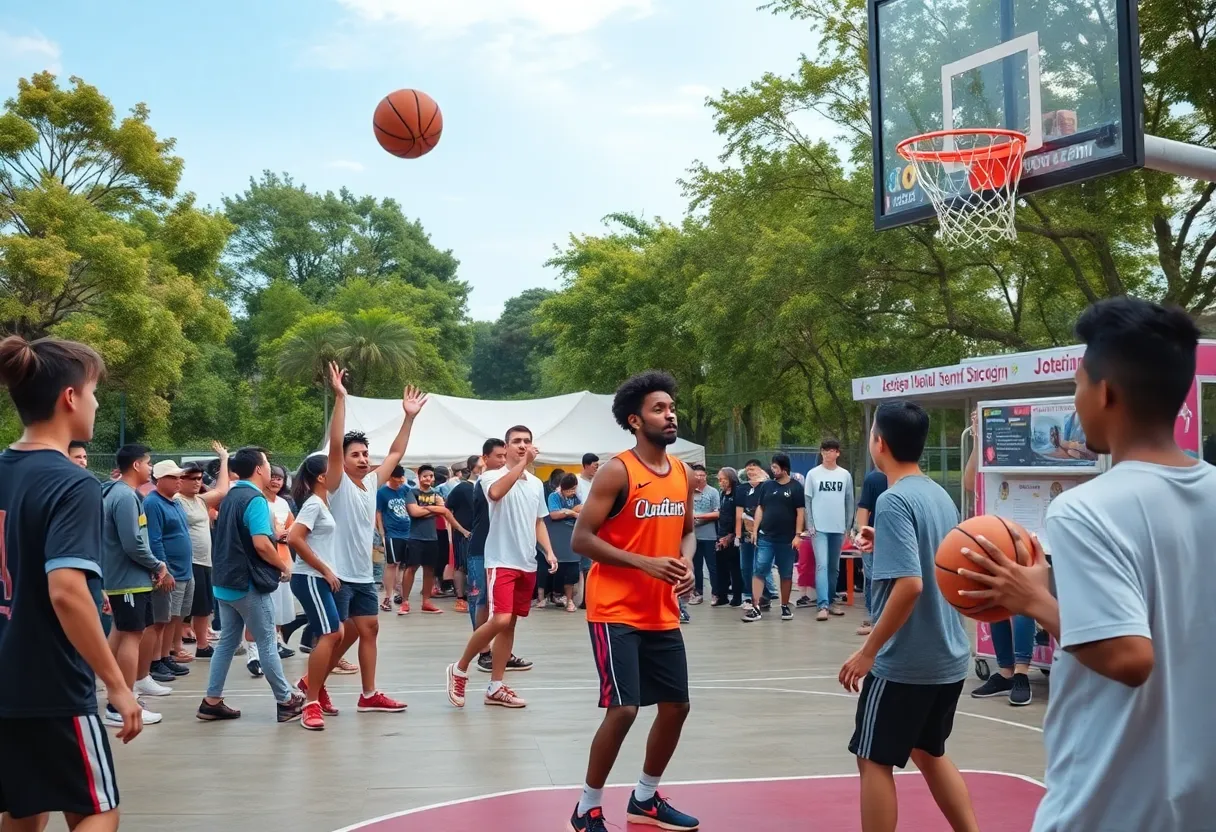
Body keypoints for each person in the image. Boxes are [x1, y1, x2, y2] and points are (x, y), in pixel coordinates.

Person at [956, 297, 1216, 831]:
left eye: (1077, 385)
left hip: (1111, 803)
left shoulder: (1086, 509)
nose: (1075, 400)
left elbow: (1129, 657)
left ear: (1106, 393)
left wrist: (1033, 600)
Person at [0, 335, 142, 830]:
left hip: (6, 678)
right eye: (94, 392)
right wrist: (117, 684)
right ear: (70, 397)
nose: (96, 404)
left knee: (24, 810)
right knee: (99, 811)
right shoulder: (72, 482)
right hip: (52, 682)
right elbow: (66, 591)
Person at [566, 371, 699, 832]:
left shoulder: (682, 473)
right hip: (615, 609)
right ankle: (586, 807)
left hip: (661, 611)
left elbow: (687, 532)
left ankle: (645, 798)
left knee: (676, 706)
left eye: (671, 408)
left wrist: (686, 563)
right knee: (623, 709)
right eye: (659, 409)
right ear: (635, 421)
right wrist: (645, 563)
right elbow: (582, 539)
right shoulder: (617, 471)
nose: (670, 415)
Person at [840, 401, 978, 832]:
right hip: (947, 656)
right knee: (928, 752)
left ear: (879, 443)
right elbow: (936, 558)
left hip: (905, 662)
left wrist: (869, 651)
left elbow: (911, 585)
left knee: (872, 759)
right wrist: (885, 540)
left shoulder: (893, 499)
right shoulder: (938, 495)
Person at [323, 362, 422, 714]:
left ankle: (368, 694)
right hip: (337, 574)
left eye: (365, 454)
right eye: (356, 454)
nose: (363, 459)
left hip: (363, 575)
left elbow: (396, 453)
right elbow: (335, 446)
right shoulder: (336, 483)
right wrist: (340, 398)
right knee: (333, 637)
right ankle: (313, 688)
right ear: (343, 459)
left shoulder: (371, 482)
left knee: (369, 630)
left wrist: (408, 418)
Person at [446, 425, 556, 709]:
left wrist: (549, 550)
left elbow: (538, 521)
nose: (523, 445)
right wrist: (522, 464)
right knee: (501, 619)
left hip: (526, 562)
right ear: (506, 447)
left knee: (510, 624)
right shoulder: (491, 476)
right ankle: (459, 668)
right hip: (500, 560)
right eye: (516, 441)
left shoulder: (535, 484)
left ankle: (496, 686)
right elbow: (496, 494)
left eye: (527, 441)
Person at [196, 446, 304, 724]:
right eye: (266, 464)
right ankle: (286, 701)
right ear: (258, 469)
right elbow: (261, 544)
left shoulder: (230, 496)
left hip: (224, 583)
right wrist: (284, 566)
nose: (270, 469)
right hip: (247, 584)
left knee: (227, 643)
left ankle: (211, 701)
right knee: (267, 641)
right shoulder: (255, 500)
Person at [960, 409, 1035, 705]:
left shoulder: (1029, 452)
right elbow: (969, 483)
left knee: (1021, 603)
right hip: (996, 534)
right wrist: (978, 439)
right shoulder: (991, 452)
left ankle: (1022, 672)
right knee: (995, 601)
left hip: (1029, 537)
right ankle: (1005, 671)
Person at [102, 444, 172, 720]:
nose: (150, 467)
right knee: (132, 636)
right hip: (128, 580)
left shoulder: (119, 493)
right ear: (135, 465)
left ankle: (116, 695)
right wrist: (157, 564)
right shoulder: (124, 496)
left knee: (121, 634)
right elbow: (132, 542)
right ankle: (123, 705)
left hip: (127, 578)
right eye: (148, 462)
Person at [287, 454, 344, 731]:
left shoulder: (324, 502)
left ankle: (314, 686)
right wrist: (325, 570)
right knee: (330, 634)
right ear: (322, 477)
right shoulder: (313, 504)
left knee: (338, 633)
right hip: (310, 577)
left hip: (320, 578)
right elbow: (294, 537)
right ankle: (310, 701)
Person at [175, 447, 230, 660]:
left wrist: (224, 459)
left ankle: (202, 644)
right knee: (183, 610)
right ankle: (176, 647)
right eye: (192, 478)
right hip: (189, 561)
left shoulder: (200, 500)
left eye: (199, 478)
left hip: (204, 561)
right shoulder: (177, 500)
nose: (197, 482)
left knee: (204, 607)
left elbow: (222, 490)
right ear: (180, 480)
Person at [143, 460, 195, 680]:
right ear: (159, 479)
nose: (179, 481)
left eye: (179, 477)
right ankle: (155, 662)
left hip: (185, 570)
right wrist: (164, 570)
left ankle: (166, 657)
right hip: (170, 571)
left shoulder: (174, 502)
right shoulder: (153, 503)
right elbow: (154, 539)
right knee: (161, 620)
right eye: (173, 477)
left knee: (174, 618)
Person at [743, 453, 805, 622]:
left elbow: (800, 512)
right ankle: (756, 607)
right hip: (766, 537)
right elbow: (760, 508)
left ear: (784, 469)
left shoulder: (796, 487)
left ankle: (784, 605)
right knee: (760, 569)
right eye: (772, 466)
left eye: (776, 467)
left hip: (787, 539)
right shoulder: (767, 486)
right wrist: (755, 530)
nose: (772, 470)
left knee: (786, 573)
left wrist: (797, 535)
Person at [465, 440, 508, 658]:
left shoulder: (510, 479)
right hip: (480, 548)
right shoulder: (485, 480)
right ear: (485, 458)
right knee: (480, 598)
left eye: (505, 456)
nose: (502, 460)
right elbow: (496, 492)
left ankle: (502, 651)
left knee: (500, 604)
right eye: (498, 456)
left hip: (501, 550)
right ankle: (483, 650)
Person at [806, 438, 856, 621]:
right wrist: (810, 524)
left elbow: (849, 501)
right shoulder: (813, 474)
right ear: (821, 452)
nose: (828, 454)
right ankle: (823, 604)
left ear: (838, 453)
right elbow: (808, 501)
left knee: (834, 567)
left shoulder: (845, 475)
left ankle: (832, 600)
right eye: (825, 450)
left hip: (838, 527)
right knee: (822, 564)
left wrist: (848, 526)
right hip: (819, 528)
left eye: (832, 450)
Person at [734, 459, 776, 609]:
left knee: (759, 566)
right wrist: (737, 535)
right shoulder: (741, 489)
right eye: (748, 470)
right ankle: (749, 595)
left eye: (753, 469)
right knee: (745, 567)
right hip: (746, 533)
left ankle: (762, 596)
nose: (751, 472)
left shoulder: (768, 487)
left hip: (764, 533)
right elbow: (739, 513)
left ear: (761, 470)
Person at [853, 467, 888, 637]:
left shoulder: (873, 478)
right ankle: (877, 618)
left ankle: (877, 619)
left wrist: (862, 533)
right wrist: (863, 533)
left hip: (880, 536)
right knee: (875, 577)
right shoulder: (875, 479)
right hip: (878, 535)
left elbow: (863, 509)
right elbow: (864, 509)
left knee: (874, 578)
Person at [445, 455, 481, 615]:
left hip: (482, 532)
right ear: (472, 468)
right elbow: (447, 509)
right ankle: (461, 597)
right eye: (480, 465)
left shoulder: (488, 486)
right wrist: (460, 529)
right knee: (462, 565)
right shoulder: (462, 488)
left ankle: (477, 595)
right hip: (464, 533)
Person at [376, 466, 412, 613]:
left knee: (404, 565)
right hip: (393, 533)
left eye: (401, 479)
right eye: (397, 479)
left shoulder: (406, 489)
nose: (400, 482)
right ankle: (387, 597)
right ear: (390, 477)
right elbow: (378, 512)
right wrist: (381, 532)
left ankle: (401, 593)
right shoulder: (382, 492)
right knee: (392, 563)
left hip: (408, 531)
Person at [546, 473, 583, 613]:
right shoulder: (554, 497)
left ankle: (569, 599)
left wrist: (568, 511)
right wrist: (573, 513)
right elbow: (554, 514)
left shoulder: (575, 497)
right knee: (560, 568)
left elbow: (581, 509)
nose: (572, 492)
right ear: (562, 488)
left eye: (574, 489)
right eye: (570, 489)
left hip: (572, 537)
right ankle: (557, 594)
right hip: (558, 538)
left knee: (572, 568)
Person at [688, 463, 720, 607]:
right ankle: (698, 593)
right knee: (696, 566)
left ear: (706, 476)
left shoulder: (712, 492)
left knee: (712, 566)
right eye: (696, 475)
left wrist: (699, 516)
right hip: (693, 535)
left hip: (709, 535)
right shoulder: (689, 491)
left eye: (702, 475)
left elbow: (717, 513)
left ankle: (716, 593)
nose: (699, 478)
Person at [713, 467, 743, 607]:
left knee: (735, 567)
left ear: (731, 478)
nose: (721, 482)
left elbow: (738, 517)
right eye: (719, 480)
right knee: (721, 567)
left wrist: (731, 535)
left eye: (723, 479)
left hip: (733, 535)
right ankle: (722, 595)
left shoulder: (738, 492)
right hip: (721, 533)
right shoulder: (722, 493)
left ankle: (737, 596)